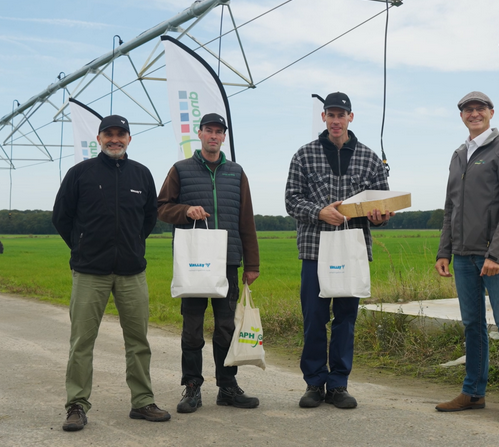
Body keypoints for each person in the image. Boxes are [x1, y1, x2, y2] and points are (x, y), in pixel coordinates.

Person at [52, 115, 170, 432]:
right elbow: (61, 217)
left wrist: (130, 246)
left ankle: (143, 402)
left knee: (138, 341)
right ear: (99, 138)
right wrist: (81, 247)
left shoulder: (141, 174)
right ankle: (76, 405)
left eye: (121, 134)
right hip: (90, 271)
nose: (115, 139)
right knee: (81, 342)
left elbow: (149, 219)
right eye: (109, 134)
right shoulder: (80, 174)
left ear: (129, 139)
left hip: (132, 272)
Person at [285, 92, 392, 409]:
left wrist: (380, 215)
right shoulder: (304, 156)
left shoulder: (370, 158)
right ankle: (315, 384)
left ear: (350, 117)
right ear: (323, 118)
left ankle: (339, 385)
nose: (335, 120)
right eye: (330, 114)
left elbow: (382, 205)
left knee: (346, 319)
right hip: (315, 249)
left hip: (352, 249)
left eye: (341, 114)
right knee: (314, 319)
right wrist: (320, 212)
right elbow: (292, 200)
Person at [434, 91, 499, 422]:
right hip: (461, 256)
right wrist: (444, 250)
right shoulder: (459, 154)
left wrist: (496, 253)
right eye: (467, 110)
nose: (474, 114)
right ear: (462, 116)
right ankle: (473, 392)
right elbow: (451, 208)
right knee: (473, 325)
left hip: (493, 258)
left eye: (480, 109)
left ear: (490, 112)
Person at [157, 112, 261, 414]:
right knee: (192, 328)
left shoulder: (236, 173)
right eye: (208, 131)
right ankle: (191, 387)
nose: (213, 136)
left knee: (226, 327)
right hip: (193, 263)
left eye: (219, 132)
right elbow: (162, 208)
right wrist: (185, 210)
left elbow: (246, 221)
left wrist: (251, 263)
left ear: (224, 137)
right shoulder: (180, 169)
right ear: (199, 134)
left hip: (227, 262)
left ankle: (227, 387)